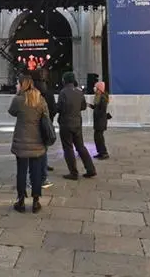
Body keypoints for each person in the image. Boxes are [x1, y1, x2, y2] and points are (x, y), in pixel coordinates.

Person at [9, 76, 48, 213]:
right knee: (36, 172)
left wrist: (18, 94)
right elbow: (46, 116)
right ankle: (36, 201)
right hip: (37, 141)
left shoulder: (19, 99)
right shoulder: (40, 99)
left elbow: (12, 112)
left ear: (22, 85)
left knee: (21, 171)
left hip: (21, 140)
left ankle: (21, 200)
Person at [57, 72, 96, 180]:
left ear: (64, 80)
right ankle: (90, 169)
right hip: (77, 123)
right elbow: (83, 107)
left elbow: (59, 108)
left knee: (68, 148)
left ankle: (73, 173)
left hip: (66, 124)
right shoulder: (79, 92)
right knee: (80, 146)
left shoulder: (63, 92)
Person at [31, 69, 57, 188]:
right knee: (43, 149)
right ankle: (43, 176)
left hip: (32, 126)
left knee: (32, 153)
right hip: (45, 125)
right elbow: (53, 109)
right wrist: (48, 120)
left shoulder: (29, 92)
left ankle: (33, 177)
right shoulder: (48, 92)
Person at [89, 81, 110, 159]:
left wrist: (96, 112)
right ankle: (100, 152)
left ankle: (104, 153)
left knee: (99, 138)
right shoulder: (98, 97)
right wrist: (89, 105)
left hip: (100, 122)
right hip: (98, 121)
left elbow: (102, 110)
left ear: (99, 89)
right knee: (97, 137)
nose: (94, 88)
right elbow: (96, 107)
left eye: (96, 87)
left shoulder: (103, 98)